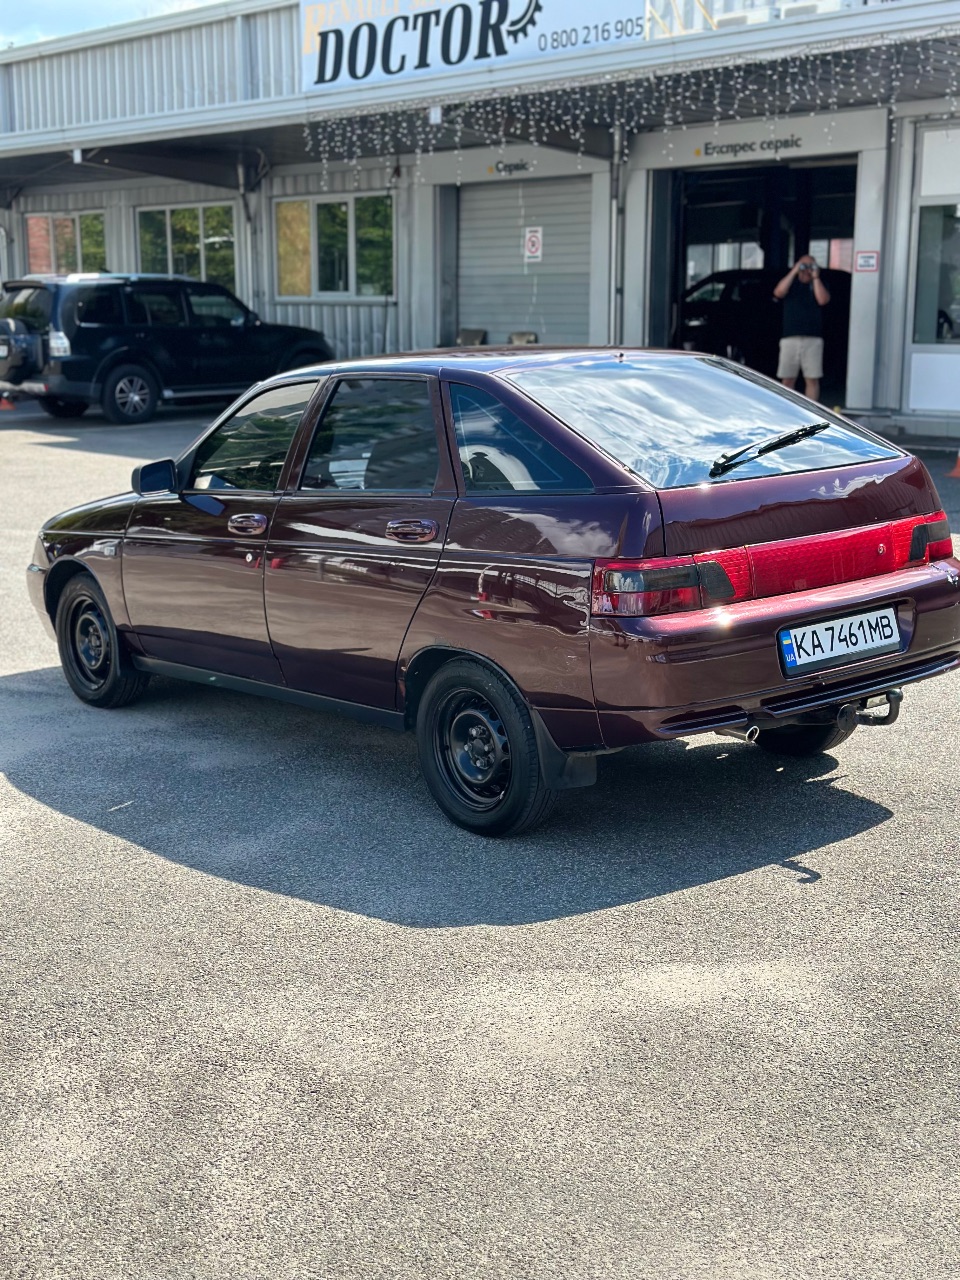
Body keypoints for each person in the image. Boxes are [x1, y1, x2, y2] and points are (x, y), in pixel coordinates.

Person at [773, 255, 831, 403]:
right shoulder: (791, 284)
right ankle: (786, 409)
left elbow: (823, 300)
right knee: (787, 379)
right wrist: (794, 271)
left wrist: (815, 278)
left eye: (810, 267)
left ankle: (811, 413)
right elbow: (778, 292)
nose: (806, 271)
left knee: (812, 379)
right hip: (790, 338)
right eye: (804, 267)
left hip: (813, 338)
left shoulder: (819, 283)